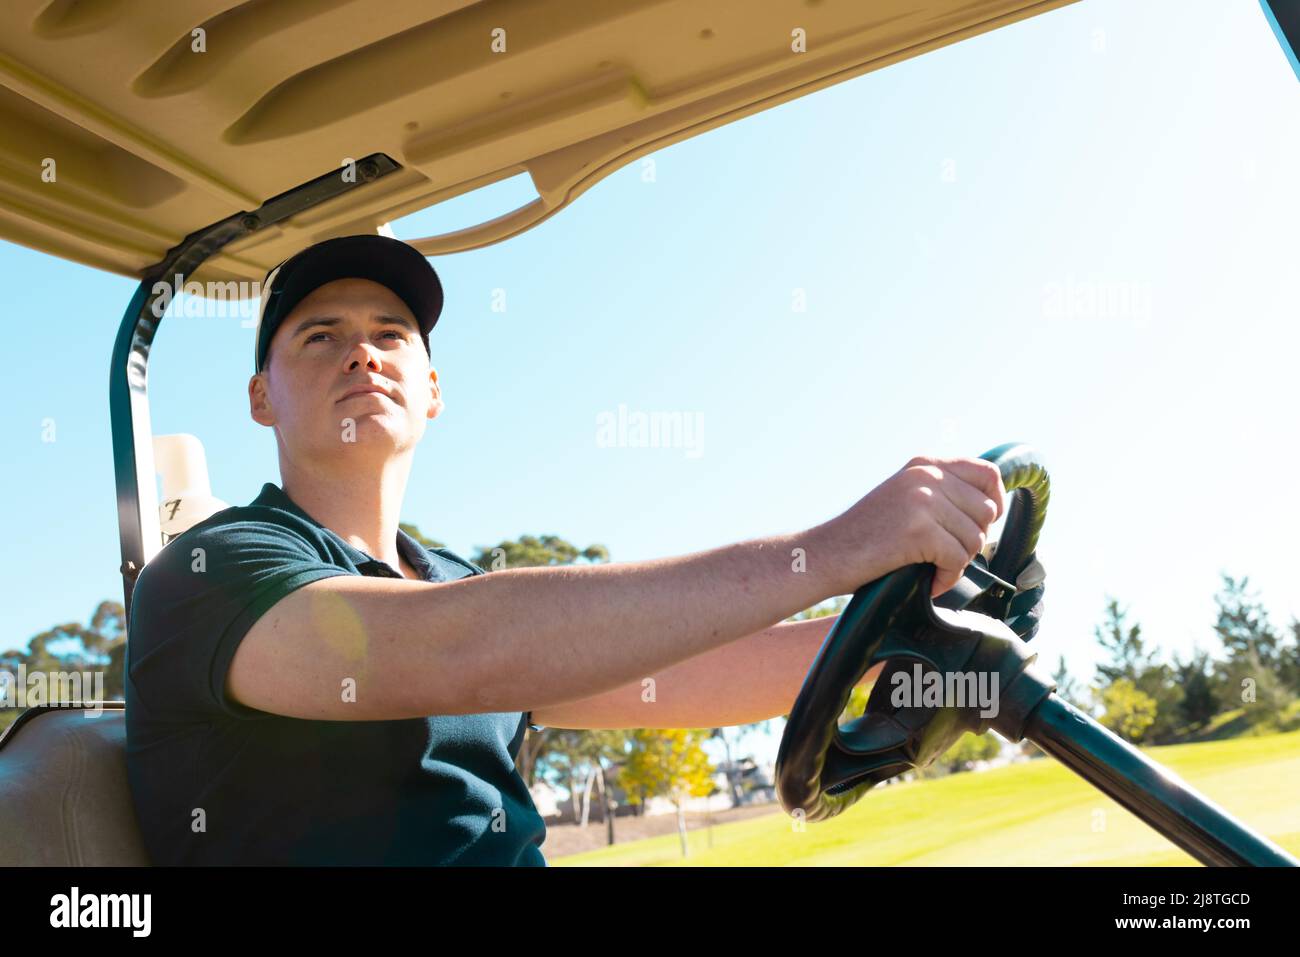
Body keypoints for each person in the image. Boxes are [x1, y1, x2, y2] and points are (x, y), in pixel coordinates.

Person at [124, 233, 1043, 866]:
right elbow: (460, 648)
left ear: (433, 388)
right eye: (320, 336)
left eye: (389, 334)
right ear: (259, 396)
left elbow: (678, 670)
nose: (362, 355)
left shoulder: (445, 579)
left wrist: (923, 634)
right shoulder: (212, 572)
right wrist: (841, 545)